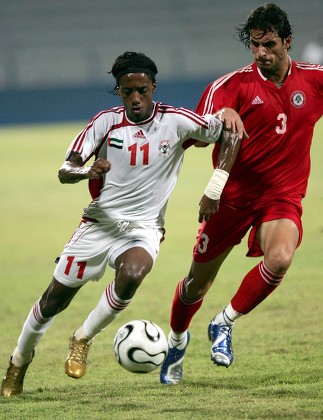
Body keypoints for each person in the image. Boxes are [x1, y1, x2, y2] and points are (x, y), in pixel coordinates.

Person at [1, 51, 245, 397]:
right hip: (98, 225)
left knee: (133, 273)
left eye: (141, 90)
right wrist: (88, 169)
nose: (135, 98)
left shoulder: (175, 121)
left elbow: (230, 134)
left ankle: (82, 338)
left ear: (153, 87)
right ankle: (18, 361)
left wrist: (216, 183)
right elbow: (65, 170)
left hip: (144, 227)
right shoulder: (104, 123)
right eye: (127, 91)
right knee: (54, 300)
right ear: (118, 91)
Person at [160, 3, 323, 385]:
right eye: (254, 46)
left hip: (281, 196)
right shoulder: (230, 85)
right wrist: (218, 119)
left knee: (280, 258)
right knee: (195, 284)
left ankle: (223, 322)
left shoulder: (314, 81)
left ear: (288, 42)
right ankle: (176, 342)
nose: (261, 54)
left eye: (269, 45)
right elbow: (195, 136)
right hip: (229, 199)